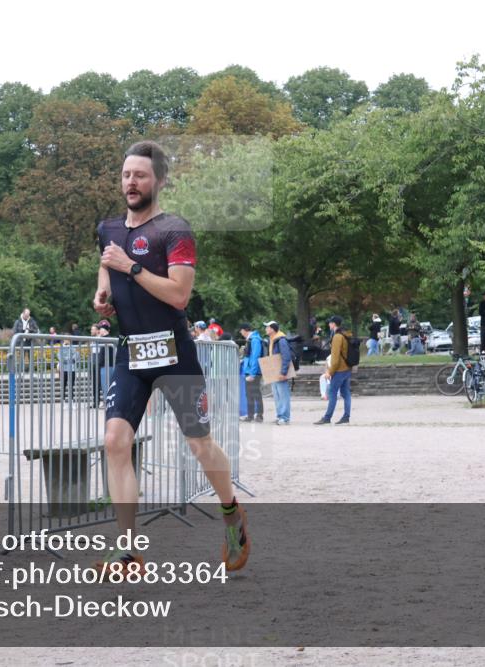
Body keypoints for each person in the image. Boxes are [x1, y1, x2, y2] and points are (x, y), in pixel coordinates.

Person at [91, 140, 248, 574]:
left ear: (158, 181)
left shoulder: (174, 231)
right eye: (126, 174)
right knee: (114, 441)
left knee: (199, 444)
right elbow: (107, 267)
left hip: (174, 352)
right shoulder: (108, 230)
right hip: (132, 353)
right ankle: (127, 549)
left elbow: (179, 296)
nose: (131, 182)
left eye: (140, 175)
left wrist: (131, 269)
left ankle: (232, 512)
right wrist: (103, 294)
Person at [314, 316, 352, 425]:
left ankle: (327, 417)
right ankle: (346, 416)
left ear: (334, 324)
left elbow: (335, 358)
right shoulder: (345, 334)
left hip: (339, 369)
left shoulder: (337, 337)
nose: (329, 325)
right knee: (346, 393)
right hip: (347, 368)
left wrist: (329, 372)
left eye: (330, 323)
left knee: (332, 392)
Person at [265, 321, 293, 425]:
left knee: (283, 395)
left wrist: (283, 372)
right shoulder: (272, 340)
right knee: (277, 395)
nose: (266, 329)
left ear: (272, 329)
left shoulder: (281, 340)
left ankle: (285, 417)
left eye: (267, 327)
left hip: (280, 372)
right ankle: (280, 415)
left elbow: (286, 357)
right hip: (274, 371)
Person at [239, 323, 264, 422]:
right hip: (249, 371)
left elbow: (255, 357)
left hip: (253, 372)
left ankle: (259, 415)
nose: (241, 333)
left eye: (241, 331)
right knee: (249, 394)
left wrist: (252, 373)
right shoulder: (251, 339)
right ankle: (251, 415)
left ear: (244, 330)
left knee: (255, 393)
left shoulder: (255, 340)